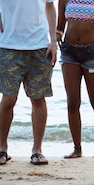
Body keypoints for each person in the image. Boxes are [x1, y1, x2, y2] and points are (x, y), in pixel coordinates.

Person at [0, 0, 57, 166]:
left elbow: (50, 6)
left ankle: (37, 150)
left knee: (38, 98)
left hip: (39, 46)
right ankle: (2, 147)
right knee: (9, 99)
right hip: (8, 45)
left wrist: (53, 41)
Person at [57, 0, 94, 159]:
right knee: (72, 102)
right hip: (69, 52)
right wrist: (56, 35)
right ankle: (77, 148)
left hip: (93, 52)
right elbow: (60, 27)